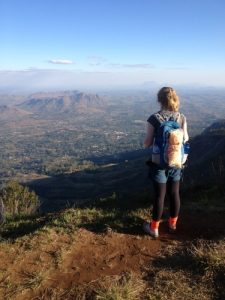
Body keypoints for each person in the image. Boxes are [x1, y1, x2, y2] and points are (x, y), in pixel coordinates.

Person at [143, 87, 189, 238]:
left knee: (159, 196)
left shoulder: (153, 119)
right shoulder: (181, 117)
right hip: (176, 162)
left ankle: (154, 228)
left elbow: (147, 143)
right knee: (174, 193)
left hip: (158, 164)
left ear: (159, 100)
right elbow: (186, 139)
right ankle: (172, 224)